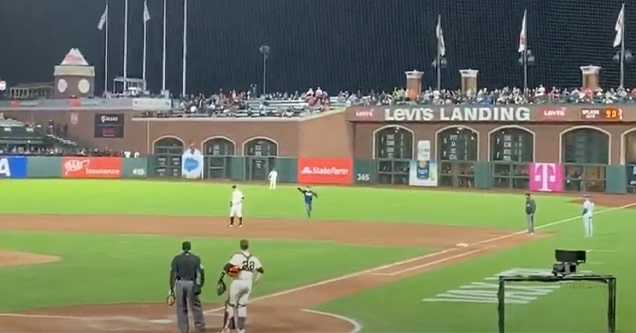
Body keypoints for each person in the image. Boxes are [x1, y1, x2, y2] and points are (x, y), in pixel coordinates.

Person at [219, 239, 264, 333]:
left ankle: (226, 329)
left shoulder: (237, 256)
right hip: (248, 284)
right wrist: (256, 281)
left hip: (237, 282)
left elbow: (226, 267)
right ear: (248, 246)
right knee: (242, 305)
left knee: (230, 305)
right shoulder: (254, 258)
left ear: (240, 246)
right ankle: (241, 329)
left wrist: (221, 278)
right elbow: (261, 271)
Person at [169, 241, 206, 333]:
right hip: (191, 284)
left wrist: (171, 288)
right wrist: (199, 285)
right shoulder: (196, 259)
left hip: (180, 284)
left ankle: (184, 329)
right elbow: (200, 273)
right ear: (190, 248)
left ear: (182, 248)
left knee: (181, 307)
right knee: (196, 306)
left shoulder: (176, 259)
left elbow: (173, 274)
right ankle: (199, 327)